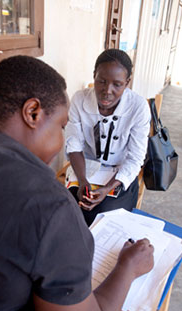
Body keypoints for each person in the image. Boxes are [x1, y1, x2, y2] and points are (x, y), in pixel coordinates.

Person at [0, 55, 154, 311]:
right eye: (61, 127)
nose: (61, 140)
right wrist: (127, 267)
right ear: (32, 113)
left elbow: (135, 156)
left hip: (115, 175)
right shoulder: (51, 209)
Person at [65, 49, 151, 226]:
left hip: (119, 174)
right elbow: (73, 145)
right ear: (94, 76)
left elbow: (135, 158)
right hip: (84, 170)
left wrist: (107, 188)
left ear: (127, 83)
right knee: (71, 210)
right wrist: (82, 181)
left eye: (117, 84)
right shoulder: (79, 100)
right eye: (101, 81)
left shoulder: (138, 107)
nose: (107, 91)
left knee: (106, 217)